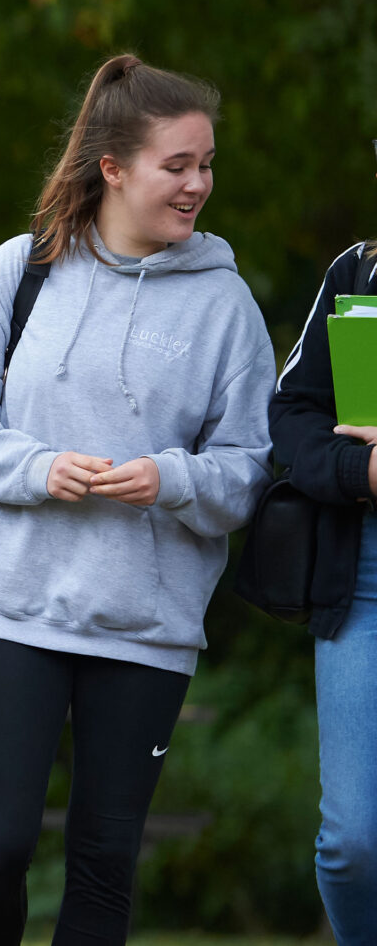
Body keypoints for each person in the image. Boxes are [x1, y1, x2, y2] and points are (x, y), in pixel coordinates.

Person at [0, 54, 275, 945]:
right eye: (177, 165)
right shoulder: (21, 272)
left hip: (146, 628)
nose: (198, 185)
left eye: (207, 164)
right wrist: (39, 468)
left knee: (104, 865)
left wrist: (175, 480)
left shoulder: (225, 307)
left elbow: (249, 467)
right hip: (14, 609)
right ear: (113, 167)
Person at [267, 232, 377, 942]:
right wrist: (356, 472)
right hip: (362, 581)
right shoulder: (359, 271)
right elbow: (293, 415)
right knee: (353, 845)